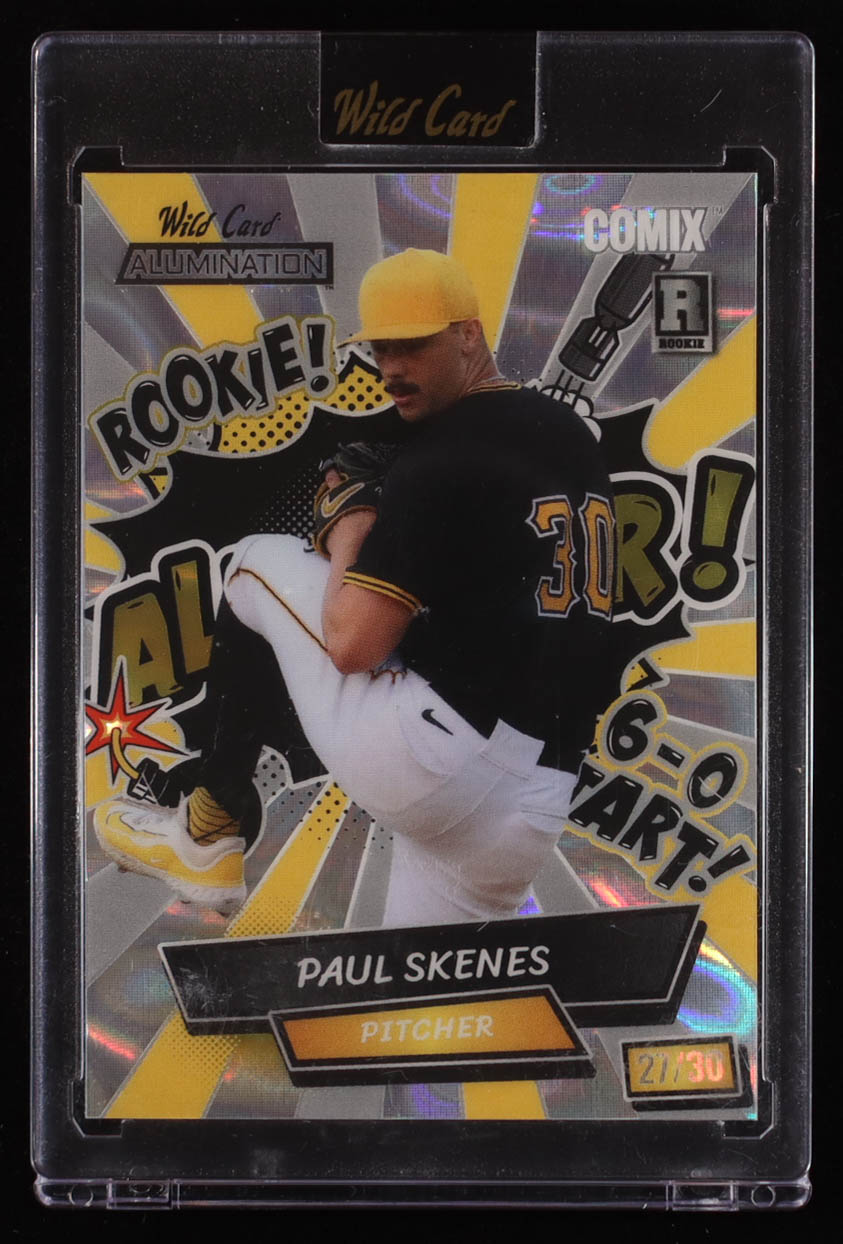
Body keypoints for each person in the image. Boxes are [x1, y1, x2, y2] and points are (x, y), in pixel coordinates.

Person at [95, 248, 618, 926]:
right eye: (381, 348)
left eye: (412, 345)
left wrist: (351, 524)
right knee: (419, 988)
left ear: (469, 335)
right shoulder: (570, 437)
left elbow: (351, 646)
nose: (391, 367)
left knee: (251, 563)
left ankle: (206, 831)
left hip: (438, 766)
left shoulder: (440, 458)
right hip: (536, 804)